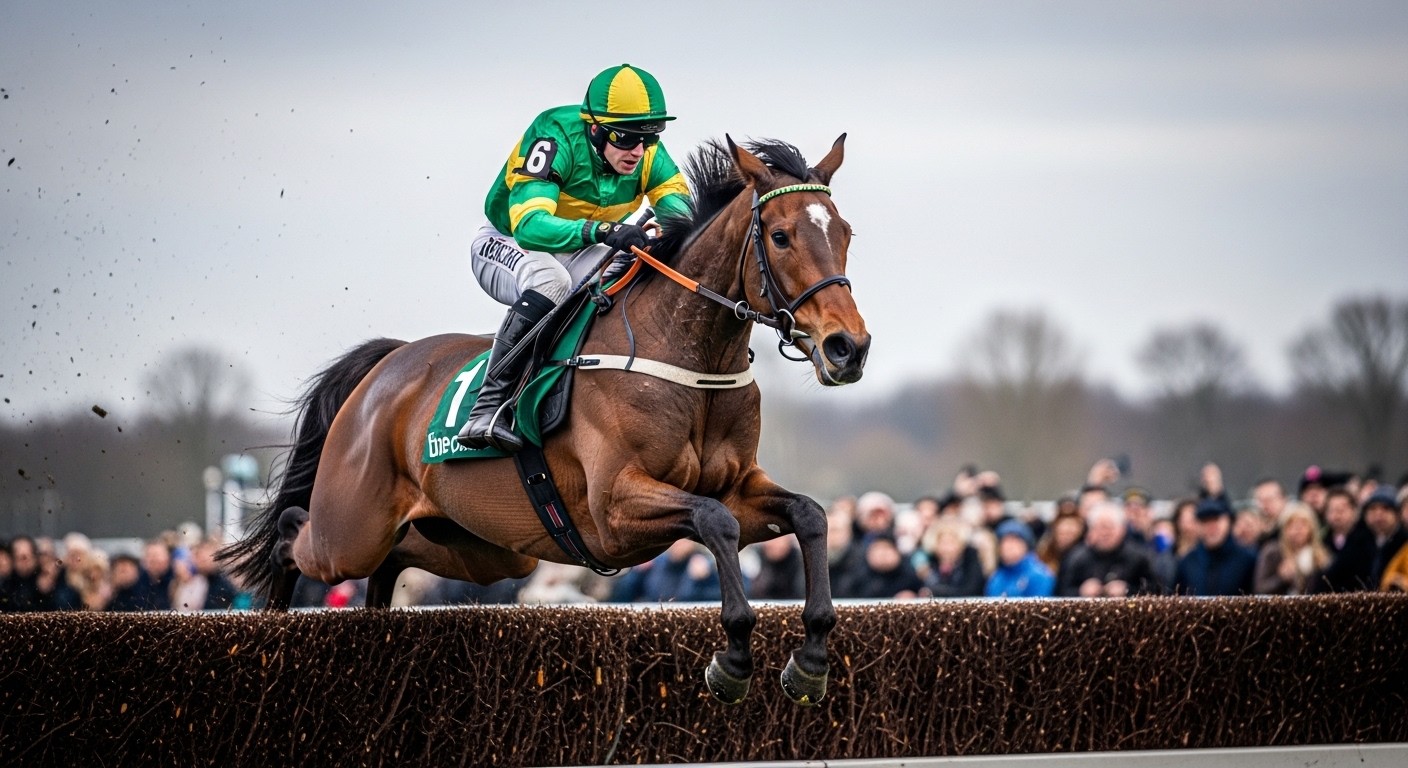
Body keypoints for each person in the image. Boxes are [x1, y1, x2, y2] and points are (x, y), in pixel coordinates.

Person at [457, 64, 691, 452]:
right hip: (509, 240)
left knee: (629, 268)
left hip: (577, 247)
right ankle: (487, 406)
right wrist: (603, 232)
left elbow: (681, 216)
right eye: (627, 137)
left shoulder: (646, 153)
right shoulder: (554, 136)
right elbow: (530, 225)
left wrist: (671, 235)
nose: (638, 151)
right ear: (595, 128)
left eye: (649, 139)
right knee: (553, 282)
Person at [1056, 502, 1159, 597]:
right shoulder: (1075, 558)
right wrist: (1081, 591)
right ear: (1090, 530)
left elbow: (1157, 590)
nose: (1105, 533)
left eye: (1110, 527)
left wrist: (1128, 590)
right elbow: (1059, 591)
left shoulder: (1140, 557)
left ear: (1122, 529)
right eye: (1100, 527)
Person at [1319, 485, 1406, 592]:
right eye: (1373, 509)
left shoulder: (1403, 543)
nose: (1378, 515)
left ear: (1397, 514)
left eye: (1385, 509)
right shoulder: (1360, 543)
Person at [1174, 497, 1257, 596]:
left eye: (1216, 520)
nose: (1211, 527)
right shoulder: (1187, 562)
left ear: (1228, 522)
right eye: (1205, 521)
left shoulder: (1248, 559)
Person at [1253, 501, 1329, 595]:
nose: (1298, 529)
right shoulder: (1272, 552)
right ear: (1284, 529)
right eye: (1292, 525)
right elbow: (1260, 589)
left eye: (1303, 524)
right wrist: (1281, 578)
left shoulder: (1320, 555)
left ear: (1311, 528)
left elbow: (1328, 589)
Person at [985, 520, 1054, 598]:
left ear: (1026, 545)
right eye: (1004, 542)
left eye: (1014, 541)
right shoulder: (996, 577)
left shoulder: (1039, 575)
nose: (1008, 547)